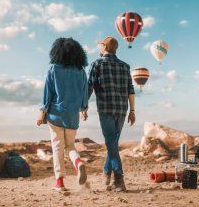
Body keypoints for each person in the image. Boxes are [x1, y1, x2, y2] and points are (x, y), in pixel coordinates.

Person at [36, 37, 88, 191]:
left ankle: (60, 183)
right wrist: (83, 109)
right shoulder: (81, 72)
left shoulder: (53, 69)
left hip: (55, 115)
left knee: (57, 147)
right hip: (72, 116)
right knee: (70, 145)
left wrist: (41, 113)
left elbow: (47, 93)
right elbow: (84, 93)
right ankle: (78, 163)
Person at [84, 36, 135, 192]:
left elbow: (89, 87)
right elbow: (130, 90)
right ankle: (106, 174)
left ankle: (119, 180)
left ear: (104, 46)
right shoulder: (125, 66)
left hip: (106, 109)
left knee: (111, 143)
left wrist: (83, 107)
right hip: (122, 109)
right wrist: (132, 111)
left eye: (100, 45)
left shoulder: (96, 64)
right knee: (112, 143)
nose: (99, 48)